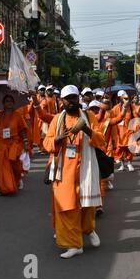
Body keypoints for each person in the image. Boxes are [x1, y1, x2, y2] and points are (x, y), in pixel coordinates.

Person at [43, 85, 105, 259]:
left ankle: (88, 229)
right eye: (67, 99)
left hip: (85, 168)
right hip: (64, 172)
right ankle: (74, 244)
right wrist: (57, 139)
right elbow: (46, 143)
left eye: (74, 98)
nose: (71, 101)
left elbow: (101, 140)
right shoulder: (58, 119)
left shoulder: (89, 117)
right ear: (62, 101)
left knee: (86, 205)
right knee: (66, 207)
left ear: (78, 99)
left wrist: (86, 129)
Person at [0, 95, 29, 196]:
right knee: (1, 167)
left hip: (14, 143)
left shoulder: (17, 115)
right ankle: (4, 189)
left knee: (15, 166)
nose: (9, 103)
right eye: (6, 101)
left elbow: (22, 130)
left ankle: (17, 180)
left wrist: (26, 142)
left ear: (13, 103)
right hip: (0, 144)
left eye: (10, 101)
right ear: (3, 103)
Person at [113, 90, 137, 172]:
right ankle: (122, 164)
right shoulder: (115, 108)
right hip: (119, 131)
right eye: (122, 97)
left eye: (125, 97)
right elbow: (113, 119)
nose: (124, 99)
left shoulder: (131, 107)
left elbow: (136, 117)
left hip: (129, 130)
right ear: (119, 98)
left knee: (130, 147)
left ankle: (129, 163)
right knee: (120, 148)